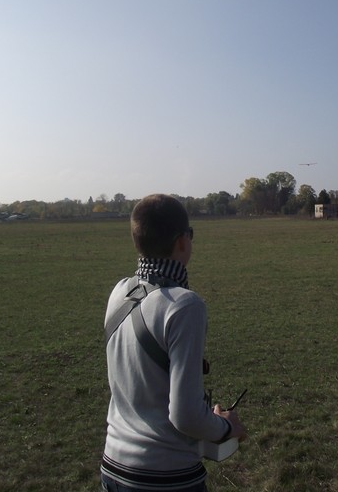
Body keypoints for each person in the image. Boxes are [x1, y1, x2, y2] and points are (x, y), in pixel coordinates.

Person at [101, 194, 246, 492]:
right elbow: (185, 416)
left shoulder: (119, 292)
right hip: (165, 477)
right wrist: (227, 426)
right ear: (182, 241)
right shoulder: (185, 305)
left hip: (113, 468)